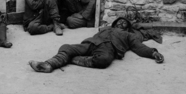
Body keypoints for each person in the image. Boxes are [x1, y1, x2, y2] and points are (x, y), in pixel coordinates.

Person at [28, 17, 164, 73]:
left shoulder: (128, 35)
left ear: (127, 28)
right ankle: (48, 65)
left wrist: (153, 53)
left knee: (103, 60)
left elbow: (139, 47)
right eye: (119, 22)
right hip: (91, 43)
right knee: (66, 47)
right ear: (114, 24)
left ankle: (73, 60)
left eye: (124, 23)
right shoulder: (104, 29)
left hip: (109, 47)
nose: (121, 23)